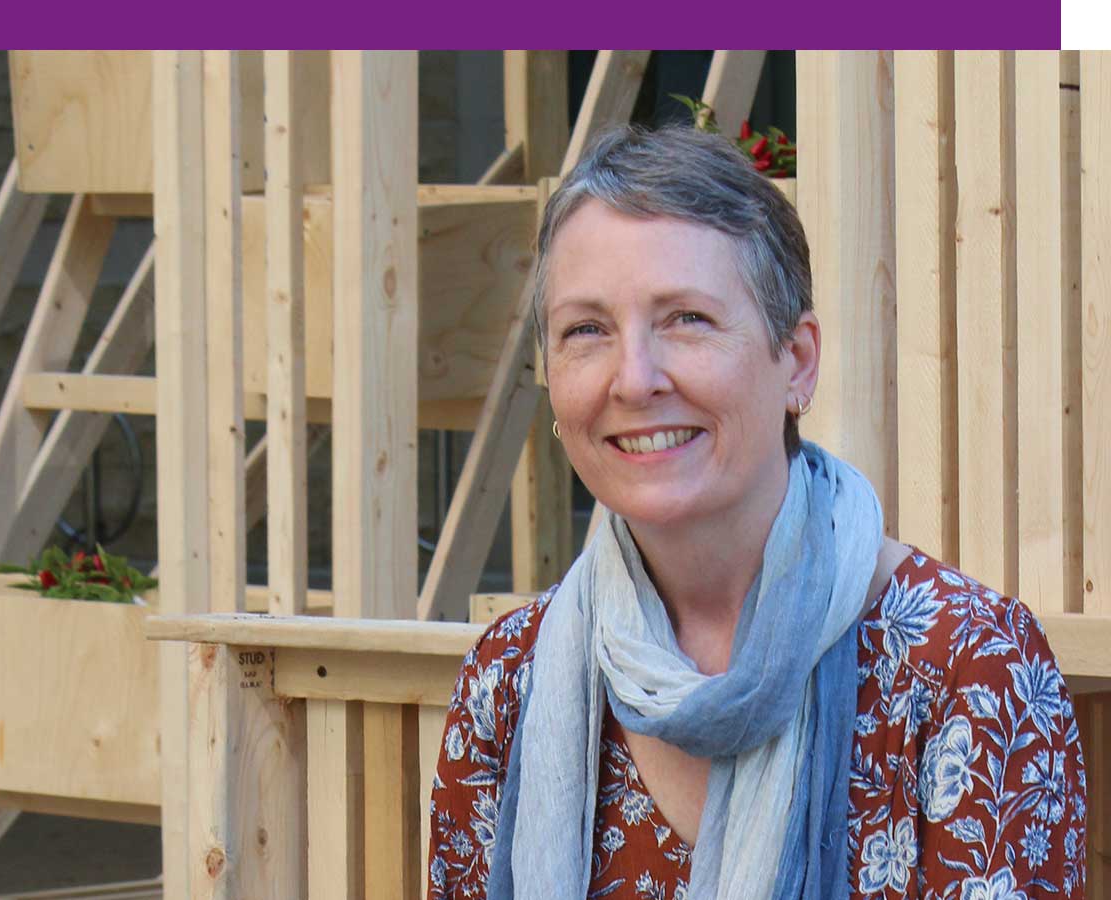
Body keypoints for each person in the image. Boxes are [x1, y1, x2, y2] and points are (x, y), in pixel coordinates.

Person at [427, 125, 1088, 900]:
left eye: (687, 320)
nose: (634, 379)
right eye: (587, 331)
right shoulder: (510, 679)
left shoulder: (965, 669)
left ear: (798, 362)